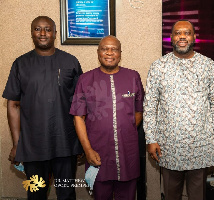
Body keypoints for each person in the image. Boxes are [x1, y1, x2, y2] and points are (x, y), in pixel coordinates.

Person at [2, 16, 83, 199]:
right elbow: (13, 105)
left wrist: (81, 142)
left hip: (66, 144)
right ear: (32, 33)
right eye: (37, 29)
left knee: (67, 193)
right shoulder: (20, 64)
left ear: (55, 33)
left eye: (47, 29)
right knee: (36, 194)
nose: (43, 33)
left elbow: (81, 106)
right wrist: (17, 144)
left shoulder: (70, 62)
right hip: (33, 145)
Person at [143, 19, 214, 200]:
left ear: (194, 37)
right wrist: (151, 139)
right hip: (168, 146)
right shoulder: (159, 66)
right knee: (171, 195)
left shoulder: (208, 65)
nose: (182, 36)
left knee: (198, 195)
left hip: (200, 145)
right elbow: (149, 106)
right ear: (171, 38)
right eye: (178, 33)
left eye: (187, 33)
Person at [70, 35, 144, 200]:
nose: (109, 53)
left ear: (120, 53)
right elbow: (78, 117)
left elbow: (139, 112)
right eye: (105, 49)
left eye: (114, 49)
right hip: (98, 153)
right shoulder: (85, 79)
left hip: (128, 154)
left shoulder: (133, 77)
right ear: (98, 53)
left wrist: (124, 130)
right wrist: (87, 150)